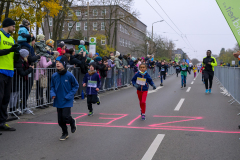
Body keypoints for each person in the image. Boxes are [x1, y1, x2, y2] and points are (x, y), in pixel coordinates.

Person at [50, 55, 79, 141]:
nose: (57, 64)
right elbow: (52, 86)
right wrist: (53, 93)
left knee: (65, 117)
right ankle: (65, 133)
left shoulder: (69, 75)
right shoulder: (54, 75)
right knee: (60, 121)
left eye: (59, 62)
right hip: (58, 100)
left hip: (67, 99)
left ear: (64, 63)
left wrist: (70, 95)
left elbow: (76, 86)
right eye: (56, 62)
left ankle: (72, 121)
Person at [0, 18, 19, 132]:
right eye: (13, 26)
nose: (14, 28)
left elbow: (12, 55)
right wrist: (10, 50)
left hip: (9, 71)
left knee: (5, 98)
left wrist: (16, 53)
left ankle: (2, 122)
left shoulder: (11, 39)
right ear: (8, 25)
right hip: (0, 70)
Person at [11, 49, 34, 114]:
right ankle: (12, 109)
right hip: (15, 79)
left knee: (16, 94)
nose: (28, 56)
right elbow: (22, 73)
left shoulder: (22, 61)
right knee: (13, 95)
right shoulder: (19, 61)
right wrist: (30, 69)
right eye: (27, 55)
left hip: (19, 80)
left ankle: (14, 109)